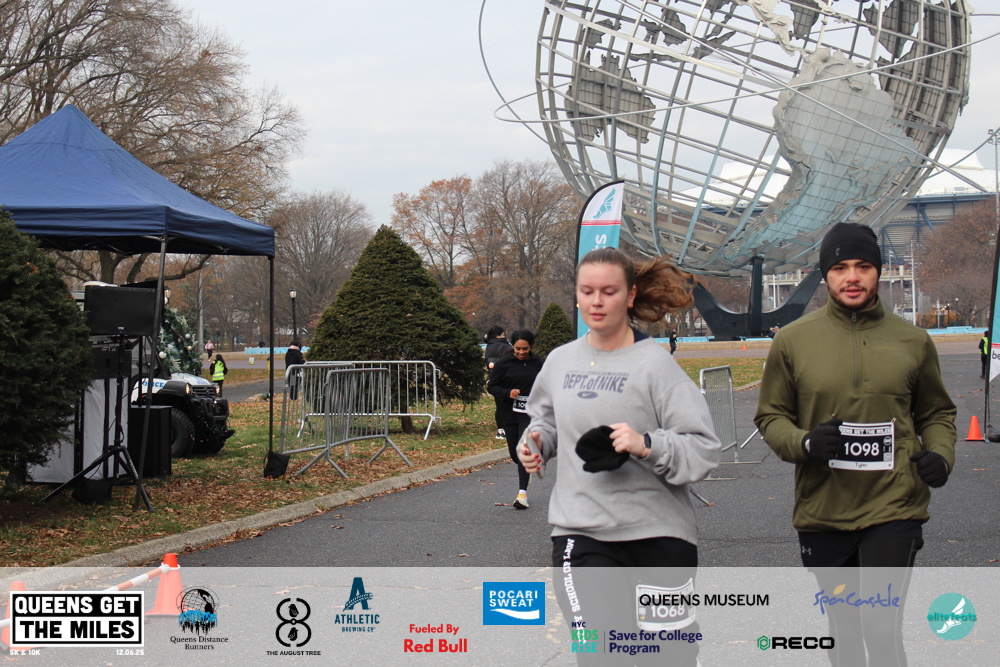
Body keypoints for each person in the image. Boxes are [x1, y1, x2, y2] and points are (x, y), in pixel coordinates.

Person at [754, 222, 956, 667]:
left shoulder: (913, 341)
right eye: (840, 267)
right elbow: (770, 417)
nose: (852, 277)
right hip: (823, 508)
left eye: (863, 266)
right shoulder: (792, 341)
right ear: (825, 274)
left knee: (881, 629)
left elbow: (937, 413)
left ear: (879, 271)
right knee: (844, 632)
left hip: (894, 505)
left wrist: (941, 455)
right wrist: (806, 442)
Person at [518, 247, 720, 666]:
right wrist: (535, 443)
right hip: (581, 531)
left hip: (658, 534)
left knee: (668, 658)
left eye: (608, 291)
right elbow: (544, 422)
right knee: (600, 654)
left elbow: (703, 448)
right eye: (587, 291)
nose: (596, 301)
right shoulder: (559, 362)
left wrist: (647, 444)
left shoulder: (655, 365)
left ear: (630, 295)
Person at [487, 329, 544, 509]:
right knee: (515, 454)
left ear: (531, 347)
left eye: (525, 349)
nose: (521, 352)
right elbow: (492, 387)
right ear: (513, 347)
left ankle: (522, 495)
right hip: (510, 413)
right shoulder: (503, 364)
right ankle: (525, 470)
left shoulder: (539, 363)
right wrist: (507, 392)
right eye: (517, 349)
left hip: (531, 415)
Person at [484, 326, 512, 439]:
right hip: (505, 378)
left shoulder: (489, 345)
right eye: (502, 334)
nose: (504, 336)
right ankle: (506, 428)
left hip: (493, 377)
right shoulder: (504, 346)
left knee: (499, 405)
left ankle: (501, 430)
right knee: (506, 405)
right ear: (498, 335)